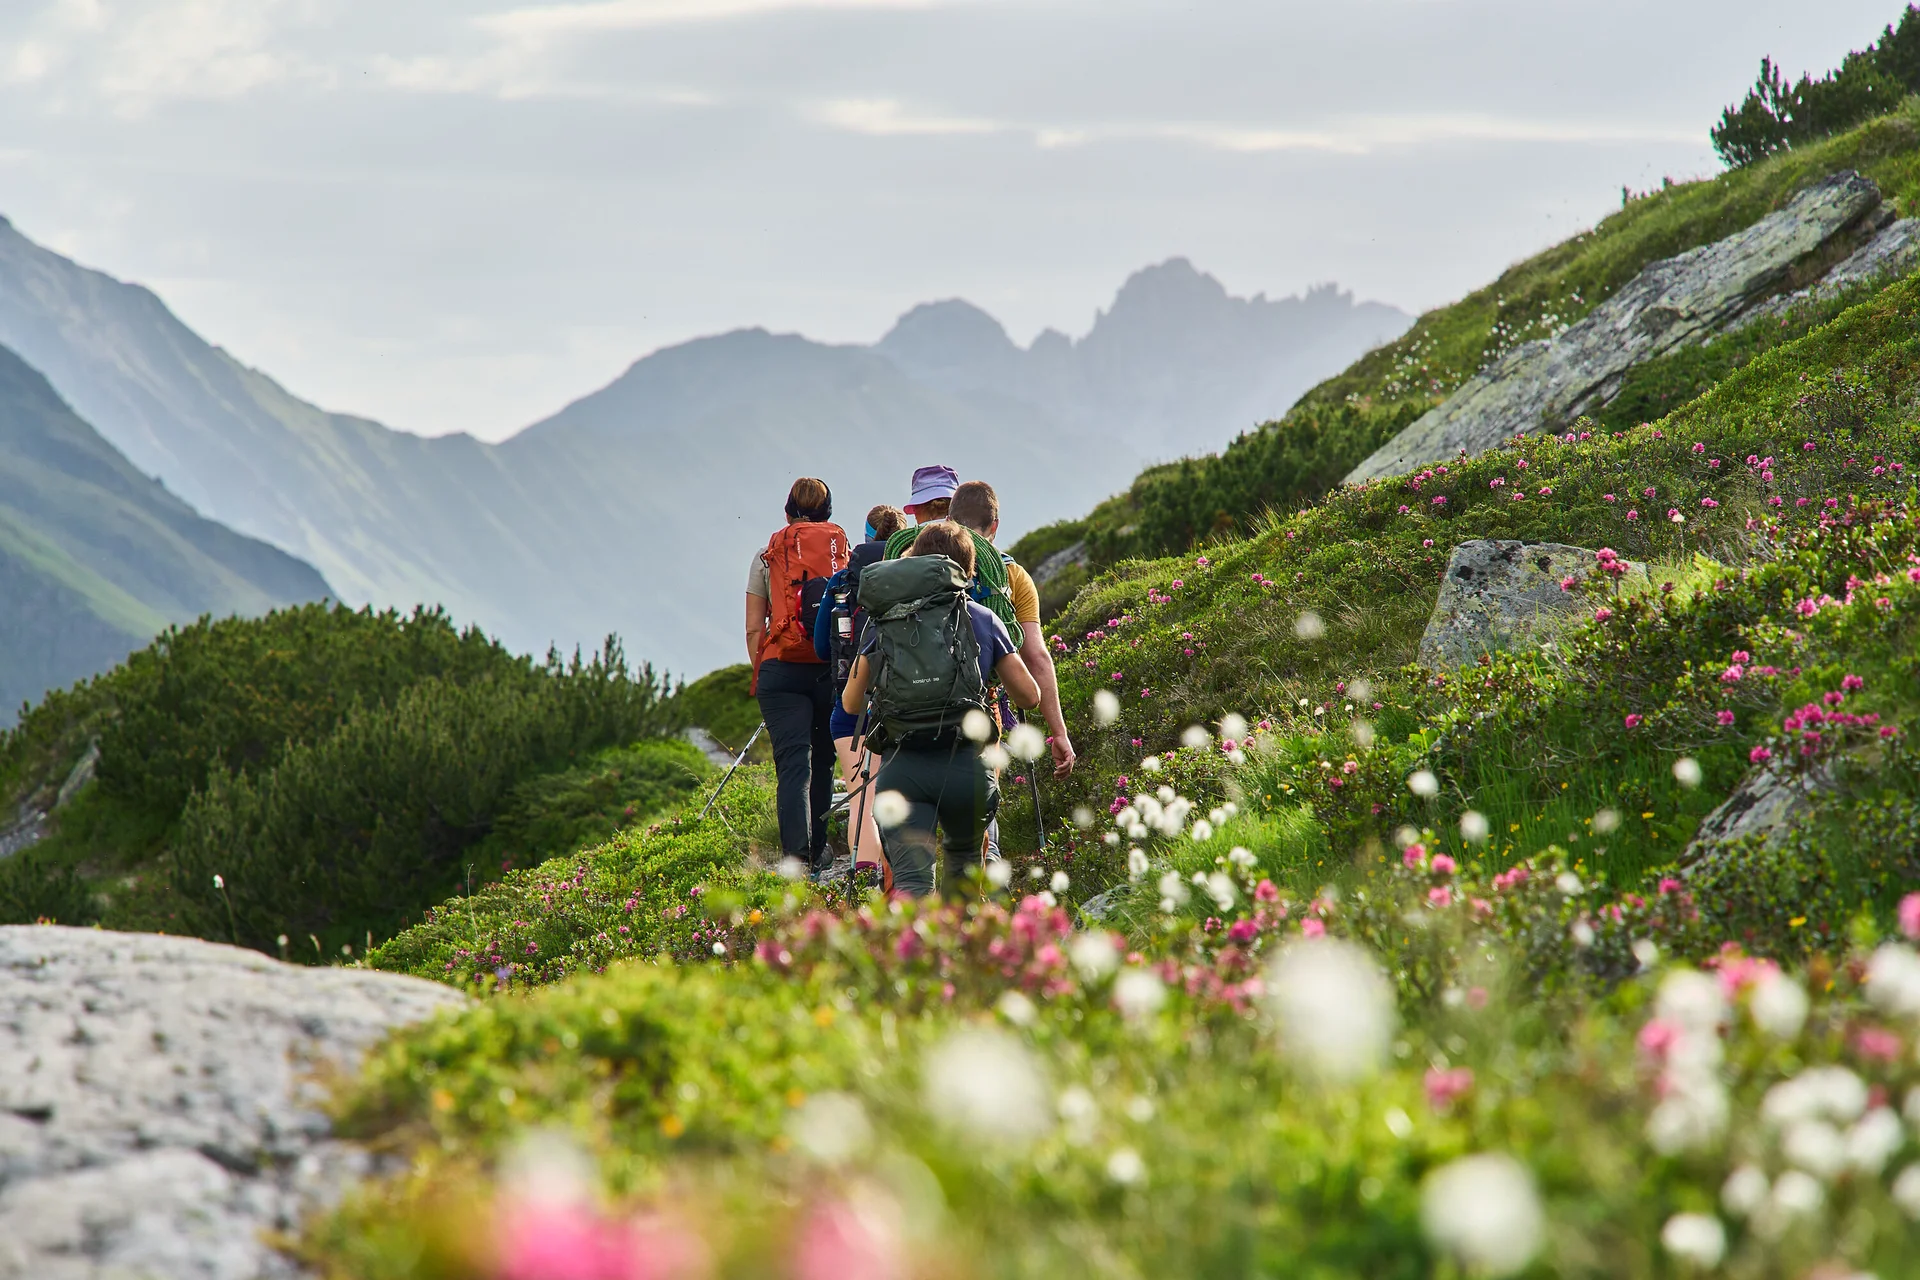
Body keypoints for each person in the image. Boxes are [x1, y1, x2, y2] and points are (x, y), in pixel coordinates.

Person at [840, 521, 1040, 897]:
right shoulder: (981, 617)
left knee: (913, 884)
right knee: (965, 874)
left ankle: (919, 953)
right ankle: (967, 950)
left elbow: (851, 704)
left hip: (904, 770)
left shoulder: (883, 621)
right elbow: (1030, 696)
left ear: (914, 558)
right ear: (970, 570)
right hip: (967, 767)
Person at [745, 477, 849, 874]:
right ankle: (820, 849)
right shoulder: (843, 553)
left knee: (792, 764)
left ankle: (795, 857)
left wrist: (763, 670)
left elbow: (755, 628)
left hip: (780, 668)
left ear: (787, 513)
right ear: (829, 515)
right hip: (828, 666)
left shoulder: (767, 555)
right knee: (823, 761)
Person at [948, 480, 1076, 778]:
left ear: (949, 520)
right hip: (980, 703)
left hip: (911, 708)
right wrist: (1058, 733)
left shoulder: (917, 564)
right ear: (994, 525)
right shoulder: (1011, 576)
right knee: (979, 802)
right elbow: (1035, 657)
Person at [811, 503, 907, 874]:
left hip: (851, 708)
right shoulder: (914, 575)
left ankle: (864, 871)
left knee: (861, 795)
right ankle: (901, 875)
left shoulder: (843, 581)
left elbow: (822, 647)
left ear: (866, 536)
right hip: (905, 703)